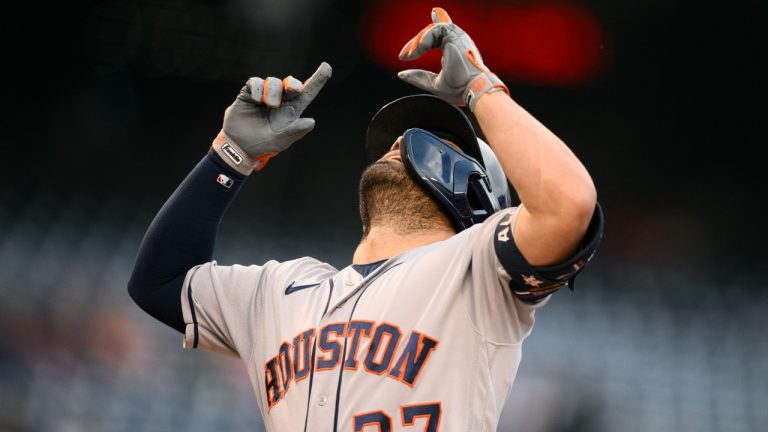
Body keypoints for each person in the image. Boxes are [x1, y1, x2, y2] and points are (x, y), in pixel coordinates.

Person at [128, 7, 603, 431]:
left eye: (436, 143)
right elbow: (159, 282)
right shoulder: (282, 291)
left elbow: (568, 204)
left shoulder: (478, 274)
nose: (401, 143)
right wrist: (228, 159)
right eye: (397, 140)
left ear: (478, 199)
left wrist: (480, 88)